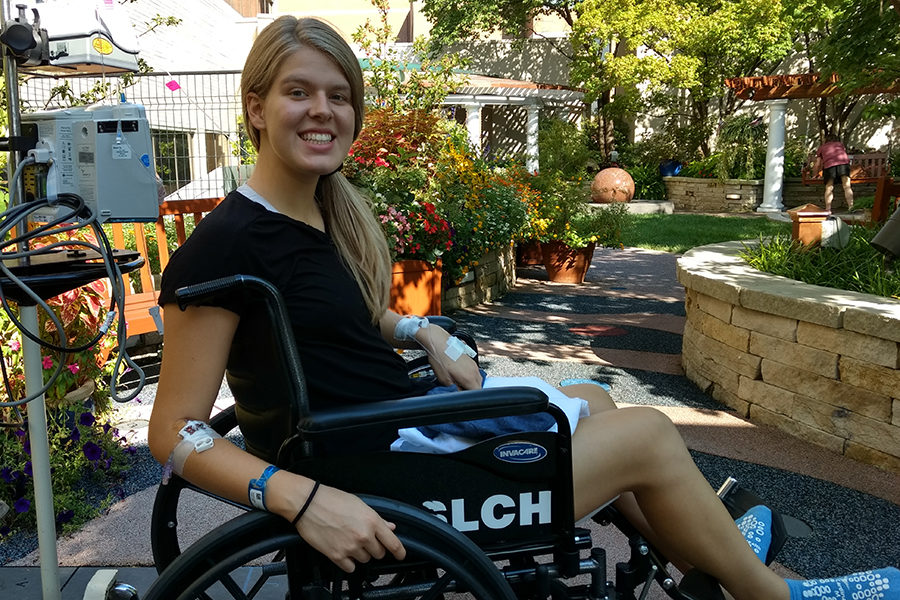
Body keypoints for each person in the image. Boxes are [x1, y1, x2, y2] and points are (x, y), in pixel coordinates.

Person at [148, 16, 899, 600]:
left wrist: (419, 331)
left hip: (391, 431)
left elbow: (336, 320)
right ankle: (768, 590)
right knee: (645, 434)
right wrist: (303, 502)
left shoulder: (309, 216)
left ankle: (707, 550)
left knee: (595, 396)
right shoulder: (226, 248)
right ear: (255, 107)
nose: (323, 111)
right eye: (299, 92)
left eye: (338, 95)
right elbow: (173, 431)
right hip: (384, 472)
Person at [813, 134, 855, 212]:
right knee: (847, 187)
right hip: (843, 165)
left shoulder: (822, 147)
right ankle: (851, 207)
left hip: (829, 166)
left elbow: (818, 164)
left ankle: (828, 209)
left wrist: (815, 174)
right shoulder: (840, 145)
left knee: (829, 188)